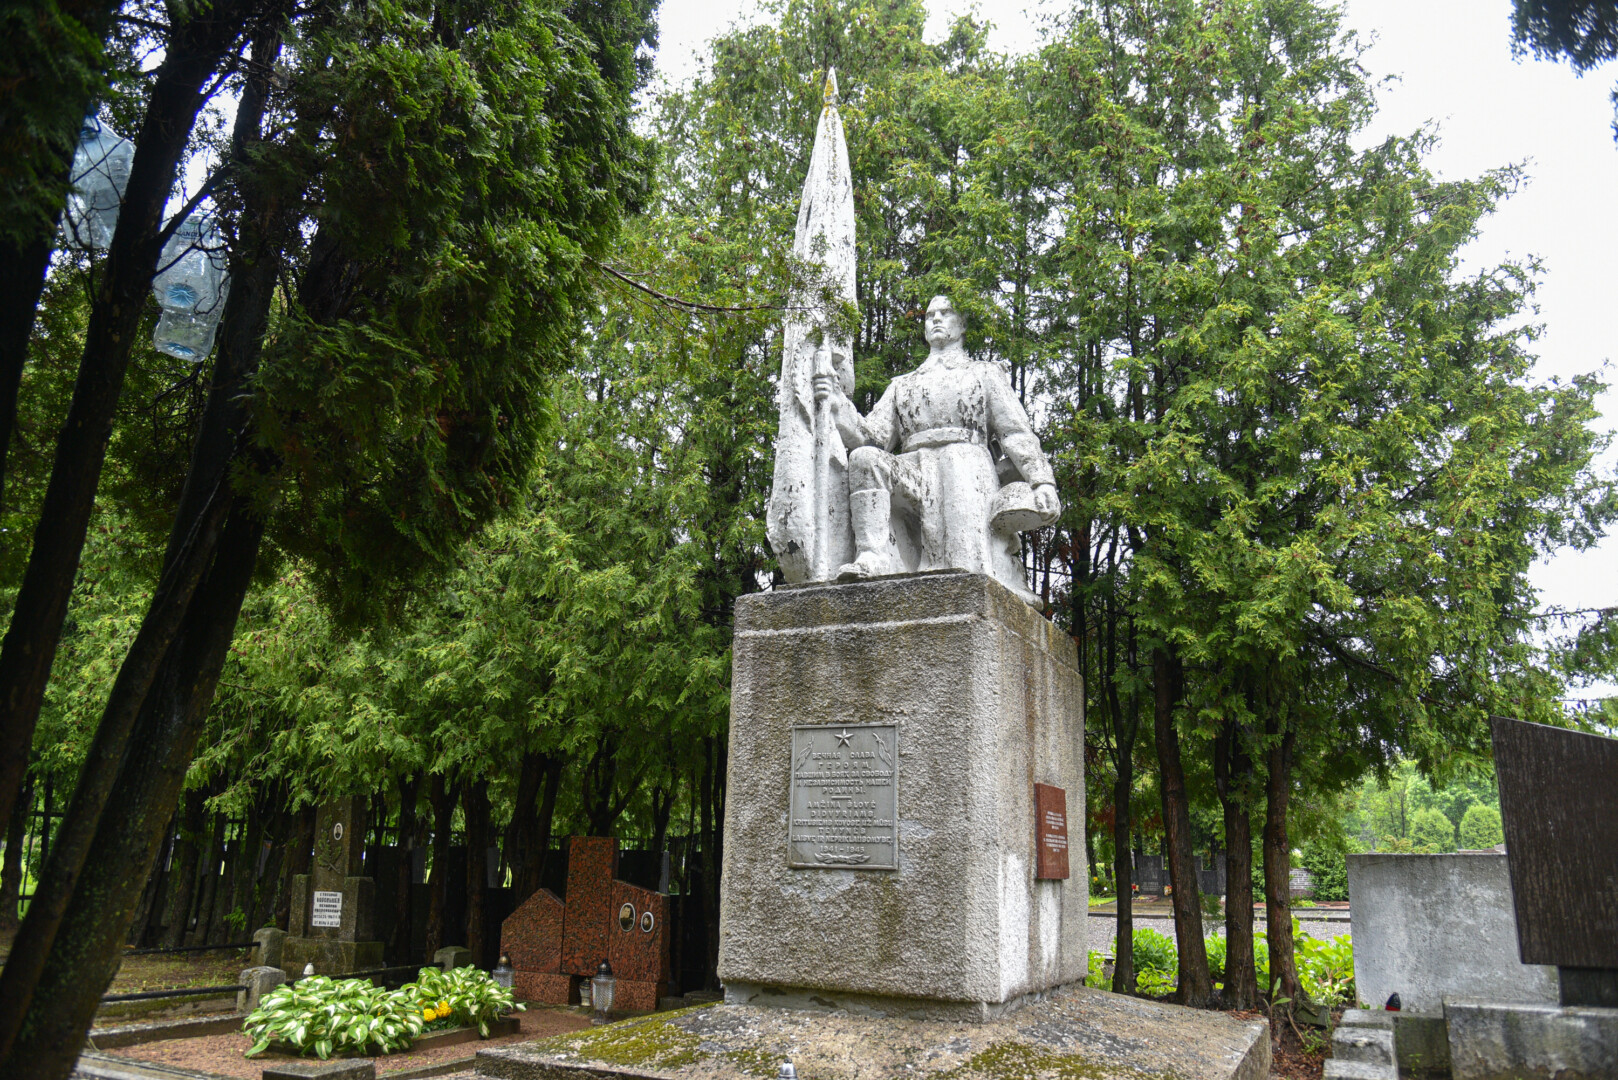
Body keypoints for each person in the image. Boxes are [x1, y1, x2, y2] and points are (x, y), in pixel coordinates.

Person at [812, 295, 1059, 601]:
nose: (937, 320)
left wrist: (1042, 480)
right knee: (865, 459)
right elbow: (872, 437)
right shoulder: (904, 384)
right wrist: (837, 404)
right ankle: (873, 556)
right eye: (930, 316)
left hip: (965, 466)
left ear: (962, 323)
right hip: (916, 466)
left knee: (964, 566)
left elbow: (1015, 433)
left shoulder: (983, 374)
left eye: (946, 313)